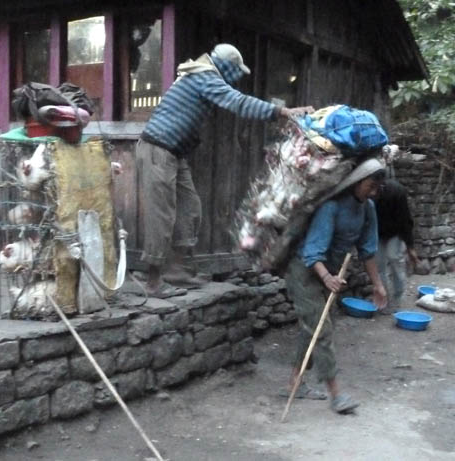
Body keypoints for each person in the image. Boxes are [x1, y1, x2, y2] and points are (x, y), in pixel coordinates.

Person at [137, 43, 314, 298]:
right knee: (162, 216)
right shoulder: (203, 76)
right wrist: (284, 112)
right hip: (158, 149)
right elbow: (237, 101)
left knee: (190, 209)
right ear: (225, 66)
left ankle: (176, 271)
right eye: (235, 71)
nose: (237, 76)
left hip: (174, 153)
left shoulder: (202, 75)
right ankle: (154, 281)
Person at [283, 158, 388, 414]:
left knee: (314, 327)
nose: (373, 192)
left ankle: (295, 383)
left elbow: (368, 250)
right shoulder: (331, 207)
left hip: (326, 272)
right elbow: (312, 252)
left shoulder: (368, 209)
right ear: (357, 182)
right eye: (370, 186)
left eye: (377, 188)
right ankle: (336, 395)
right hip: (304, 270)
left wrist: (378, 285)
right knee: (321, 329)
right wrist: (327, 277)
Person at [374, 178, 419, 314]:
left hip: (395, 232)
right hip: (376, 232)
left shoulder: (397, 191)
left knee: (395, 259)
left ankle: (397, 298)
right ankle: (383, 298)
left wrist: (410, 247)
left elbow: (405, 220)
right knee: (378, 265)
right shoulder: (367, 194)